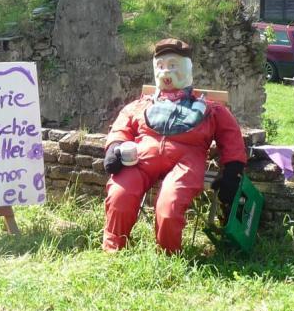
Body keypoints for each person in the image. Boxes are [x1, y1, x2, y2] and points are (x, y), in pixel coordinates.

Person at [102, 38, 247, 253]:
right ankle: (113, 249)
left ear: (186, 68)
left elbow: (230, 136)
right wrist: (115, 145)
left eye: (172, 65)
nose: (165, 72)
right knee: (119, 195)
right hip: (142, 158)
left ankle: (168, 255)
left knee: (169, 206)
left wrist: (233, 169)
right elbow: (122, 124)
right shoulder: (143, 104)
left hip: (186, 161)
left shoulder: (209, 109)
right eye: (160, 66)